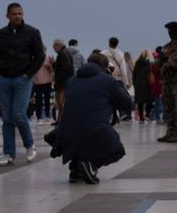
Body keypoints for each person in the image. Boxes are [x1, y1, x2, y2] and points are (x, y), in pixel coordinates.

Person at [50, 53, 132, 184]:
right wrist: (118, 83)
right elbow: (128, 104)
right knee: (117, 150)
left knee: (80, 133)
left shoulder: (72, 81)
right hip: (95, 131)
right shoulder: (108, 81)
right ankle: (91, 164)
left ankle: (76, 170)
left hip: (65, 133)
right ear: (105, 68)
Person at [0, 2, 44, 167]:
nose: (18, 16)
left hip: (22, 79)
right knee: (7, 118)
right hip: (4, 79)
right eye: (14, 14)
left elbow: (39, 56)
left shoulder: (32, 32)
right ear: (7, 15)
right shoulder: (0, 34)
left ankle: (29, 145)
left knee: (18, 114)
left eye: (20, 13)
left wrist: (28, 74)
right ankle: (8, 153)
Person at [157, 21, 177, 142]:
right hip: (167, 81)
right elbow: (160, 60)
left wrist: (164, 64)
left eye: (171, 31)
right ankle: (170, 132)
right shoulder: (168, 46)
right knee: (168, 107)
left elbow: (173, 61)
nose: (170, 33)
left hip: (176, 81)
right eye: (169, 31)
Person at [52, 40, 75, 123]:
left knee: (61, 102)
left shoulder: (63, 53)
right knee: (62, 102)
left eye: (54, 48)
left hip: (62, 82)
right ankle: (59, 119)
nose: (54, 50)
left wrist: (59, 77)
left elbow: (65, 66)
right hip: (65, 81)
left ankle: (60, 119)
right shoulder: (65, 52)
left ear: (58, 46)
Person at [32, 51, 55, 124]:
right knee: (38, 100)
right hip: (38, 82)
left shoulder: (49, 58)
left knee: (47, 100)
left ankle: (47, 116)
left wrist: (50, 66)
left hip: (47, 82)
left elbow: (52, 71)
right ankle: (39, 117)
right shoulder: (34, 59)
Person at [132, 50, 152, 122]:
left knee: (140, 102)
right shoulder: (149, 64)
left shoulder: (137, 64)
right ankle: (147, 115)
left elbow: (134, 75)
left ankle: (141, 118)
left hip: (138, 84)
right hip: (146, 84)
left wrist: (134, 84)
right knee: (150, 100)